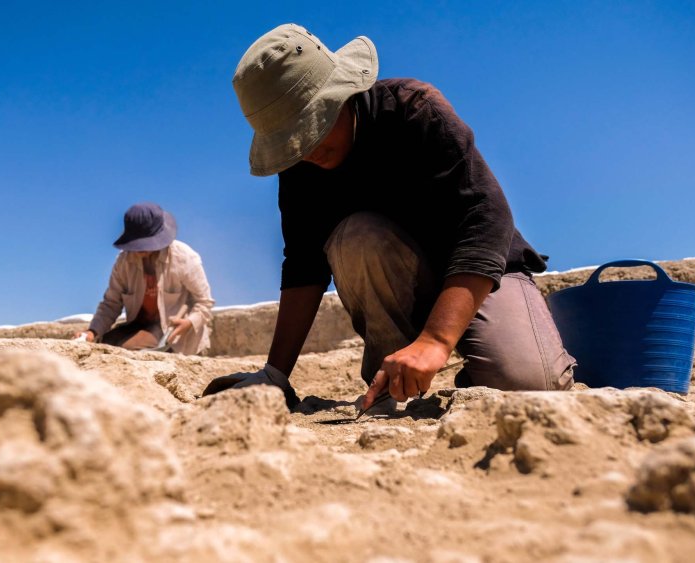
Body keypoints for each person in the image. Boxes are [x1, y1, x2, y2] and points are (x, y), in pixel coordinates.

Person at [203, 24, 575, 410]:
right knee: (357, 237)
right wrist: (274, 375)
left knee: (534, 386)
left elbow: (486, 217)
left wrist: (435, 340)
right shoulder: (299, 169)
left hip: (480, 273)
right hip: (400, 284)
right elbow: (303, 265)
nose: (306, 149)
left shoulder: (414, 110)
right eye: (293, 140)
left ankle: (474, 361)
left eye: (312, 127)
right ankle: (391, 379)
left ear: (340, 94)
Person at [76, 202, 214, 355]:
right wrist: (91, 332)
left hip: (173, 333)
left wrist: (189, 322)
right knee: (104, 345)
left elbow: (204, 302)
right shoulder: (124, 262)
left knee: (130, 349)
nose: (140, 249)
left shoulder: (184, 258)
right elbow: (111, 303)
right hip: (139, 325)